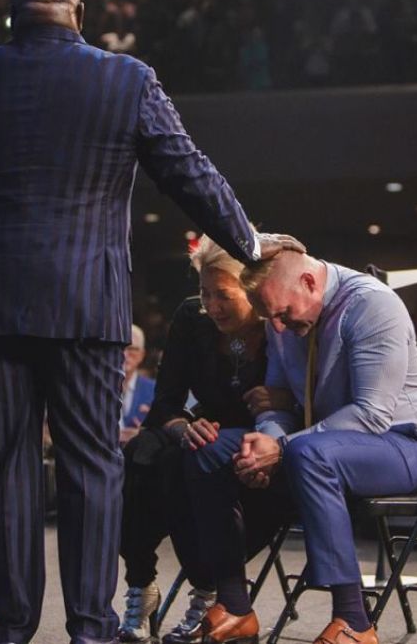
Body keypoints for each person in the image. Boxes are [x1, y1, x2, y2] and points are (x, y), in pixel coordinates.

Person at [0, 0, 302, 644]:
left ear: (11, 16)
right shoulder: (125, 79)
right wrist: (249, 240)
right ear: (79, 16)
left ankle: (10, 628)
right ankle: (90, 630)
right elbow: (189, 172)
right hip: (87, 305)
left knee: (9, 464)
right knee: (92, 463)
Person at [184, 251, 417, 644]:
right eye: (269, 316)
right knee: (212, 448)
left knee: (308, 454)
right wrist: (269, 437)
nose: (277, 326)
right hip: (323, 443)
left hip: (405, 443)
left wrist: (282, 447)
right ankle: (236, 605)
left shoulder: (372, 304)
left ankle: (354, 622)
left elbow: (371, 415)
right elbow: (278, 400)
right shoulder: (280, 314)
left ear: (309, 282)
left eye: (283, 314)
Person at [119, 235, 290, 644]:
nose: (211, 306)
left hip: (261, 442)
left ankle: (210, 593)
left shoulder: (281, 325)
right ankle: (141, 587)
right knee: (139, 455)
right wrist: (182, 427)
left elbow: (310, 402)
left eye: (223, 295)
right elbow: (165, 404)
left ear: (251, 287)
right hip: (201, 429)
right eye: (204, 292)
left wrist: (281, 400)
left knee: (189, 464)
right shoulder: (192, 318)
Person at [119, 325, 155, 446]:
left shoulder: (155, 390)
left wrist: (143, 434)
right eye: (120, 348)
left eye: (132, 349)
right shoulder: (97, 389)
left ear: (142, 355)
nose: (125, 354)